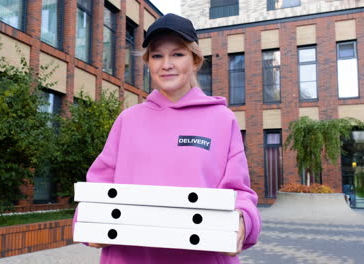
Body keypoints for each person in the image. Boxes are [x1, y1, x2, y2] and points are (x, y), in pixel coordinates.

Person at [73, 13, 261, 264]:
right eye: (157, 55)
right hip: (129, 257)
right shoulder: (128, 120)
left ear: (195, 60)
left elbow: (240, 193)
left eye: (178, 54)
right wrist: (86, 221)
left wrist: (242, 219)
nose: (166, 64)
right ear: (149, 62)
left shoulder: (222, 120)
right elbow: (98, 188)